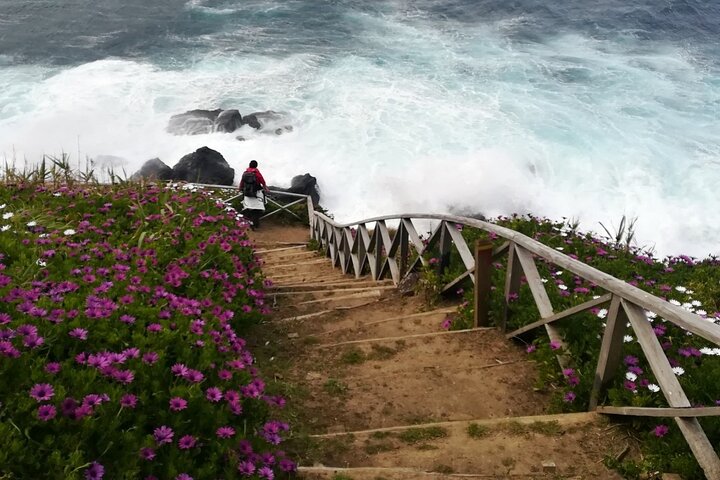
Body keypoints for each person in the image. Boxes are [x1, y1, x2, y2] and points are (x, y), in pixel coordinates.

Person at [239, 160, 269, 229]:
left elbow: (242, 182)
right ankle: (255, 225)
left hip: (247, 193)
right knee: (257, 210)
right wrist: (265, 188)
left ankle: (247, 222)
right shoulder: (257, 173)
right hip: (256, 194)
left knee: (248, 208)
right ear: (256, 166)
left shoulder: (245, 173)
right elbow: (262, 181)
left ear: (249, 165)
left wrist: (240, 188)